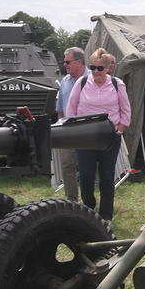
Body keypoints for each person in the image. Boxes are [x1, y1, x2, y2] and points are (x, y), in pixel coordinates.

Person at [66, 48, 131, 221]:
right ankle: (88, 209)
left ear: (108, 68)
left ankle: (106, 215)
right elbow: (71, 109)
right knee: (86, 176)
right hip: (85, 136)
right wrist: (73, 131)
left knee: (107, 177)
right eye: (93, 67)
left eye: (100, 68)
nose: (95, 71)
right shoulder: (82, 82)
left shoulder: (117, 84)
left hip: (109, 136)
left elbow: (125, 111)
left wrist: (120, 129)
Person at [55, 47, 89, 202]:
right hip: (68, 130)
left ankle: (89, 202)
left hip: (88, 130)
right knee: (67, 165)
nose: (65, 65)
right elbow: (60, 108)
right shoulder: (64, 81)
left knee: (88, 168)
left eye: (67, 61)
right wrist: (61, 128)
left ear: (79, 62)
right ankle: (72, 201)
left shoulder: (93, 78)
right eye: (64, 62)